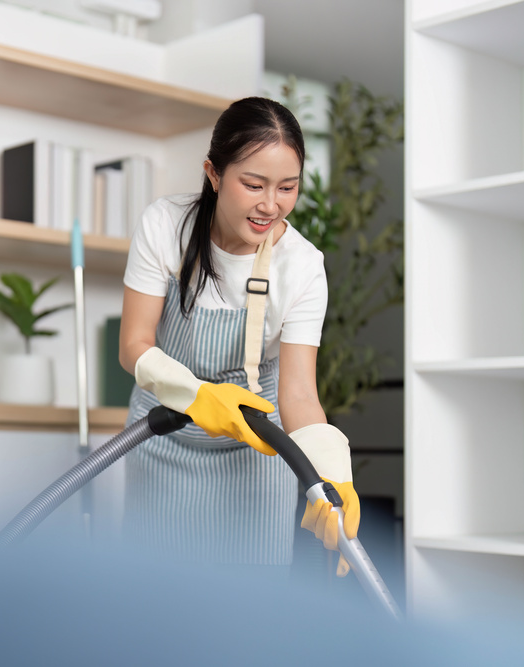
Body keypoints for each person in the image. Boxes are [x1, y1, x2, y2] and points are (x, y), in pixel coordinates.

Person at [118, 96, 359, 576]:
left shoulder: (304, 266)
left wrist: (333, 470)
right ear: (214, 173)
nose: (271, 205)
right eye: (253, 184)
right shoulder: (166, 225)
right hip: (164, 434)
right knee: (151, 606)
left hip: (257, 448)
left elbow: (298, 393)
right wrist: (197, 396)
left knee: (248, 614)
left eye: (287, 188)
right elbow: (134, 345)